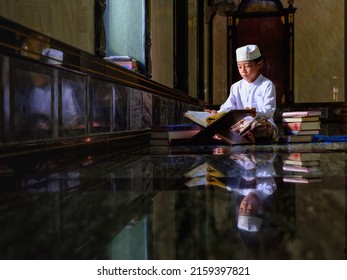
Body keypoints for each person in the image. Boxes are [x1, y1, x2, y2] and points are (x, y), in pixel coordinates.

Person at [205, 44, 278, 143]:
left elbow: (269, 111)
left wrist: (255, 113)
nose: (243, 71)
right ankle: (244, 137)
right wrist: (217, 114)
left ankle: (237, 136)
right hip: (241, 125)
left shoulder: (267, 85)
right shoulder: (236, 87)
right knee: (222, 123)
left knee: (257, 124)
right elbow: (228, 107)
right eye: (239, 67)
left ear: (259, 64)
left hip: (259, 124)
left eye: (247, 66)